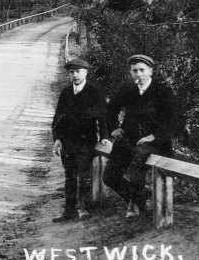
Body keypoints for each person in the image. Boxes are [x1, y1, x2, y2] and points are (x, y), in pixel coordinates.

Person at [102, 54, 182, 218]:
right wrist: (114, 128)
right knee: (109, 177)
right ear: (130, 72)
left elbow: (178, 121)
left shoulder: (162, 91)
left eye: (142, 70)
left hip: (157, 144)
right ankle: (140, 195)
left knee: (138, 156)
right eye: (134, 71)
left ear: (151, 71)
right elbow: (110, 110)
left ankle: (135, 207)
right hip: (129, 140)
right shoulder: (127, 90)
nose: (139, 74)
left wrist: (154, 136)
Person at [51, 58, 107, 222]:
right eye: (71, 72)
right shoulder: (66, 93)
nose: (74, 75)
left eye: (77, 72)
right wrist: (57, 139)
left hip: (85, 141)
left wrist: (104, 137)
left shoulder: (94, 93)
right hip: (68, 142)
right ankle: (68, 210)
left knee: (82, 174)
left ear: (85, 72)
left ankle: (82, 207)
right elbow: (57, 118)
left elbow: (103, 117)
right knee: (69, 175)